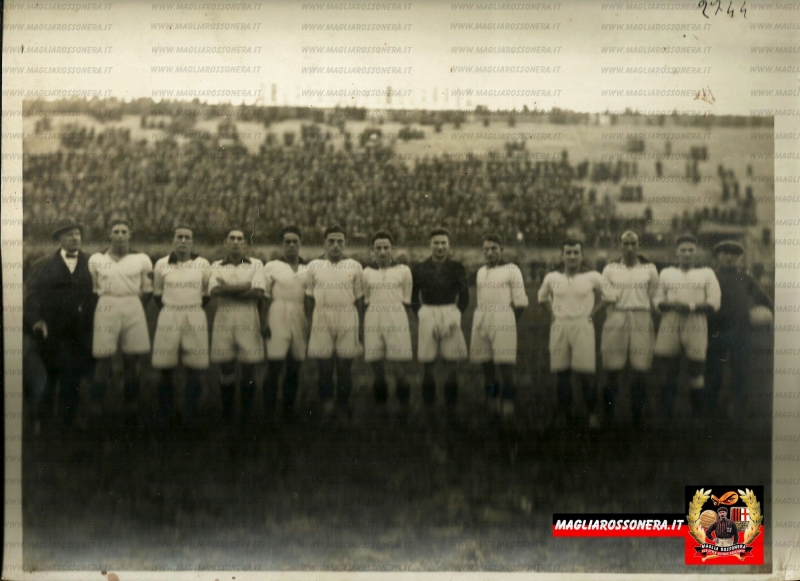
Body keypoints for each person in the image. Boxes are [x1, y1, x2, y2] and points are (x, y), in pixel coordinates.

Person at [25, 219, 96, 430]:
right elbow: (31, 298)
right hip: (51, 330)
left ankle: (68, 421)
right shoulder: (44, 265)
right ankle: (43, 420)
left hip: (79, 330)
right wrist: (37, 321)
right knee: (50, 374)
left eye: (77, 234)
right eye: (69, 235)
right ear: (59, 239)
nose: (74, 238)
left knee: (73, 375)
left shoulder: (92, 263)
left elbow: (98, 296)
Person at [537, 239, 609, 429]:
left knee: (586, 374)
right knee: (562, 373)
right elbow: (542, 298)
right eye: (568, 252)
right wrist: (552, 314)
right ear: (562, 256)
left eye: (576, 252)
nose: (572, 256)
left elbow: (610, 296)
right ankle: (566, 415)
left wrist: (593, 313)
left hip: (582, 325)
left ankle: (592, 415)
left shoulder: (592, 277)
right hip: (560, 326)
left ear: (582, 256)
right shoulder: (552, 277)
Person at [88, 219, 153, 426]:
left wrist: (134, 306)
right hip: (106, 305)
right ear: (109, 234)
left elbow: (148, 289)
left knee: (131, 360)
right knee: (103, 358)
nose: (120, 235)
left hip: (132, 305)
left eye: (124, 231)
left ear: (130, 234)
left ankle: (131, 407)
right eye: (116, 231)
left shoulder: (141, 259)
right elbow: (93, 288)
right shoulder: (96, 259)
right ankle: (96, 407)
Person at [653, 234, 721, 422]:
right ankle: (666, 415)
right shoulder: (666, 273)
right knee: (668, 369)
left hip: (696, 322)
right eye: (683, 250)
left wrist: (690, 307)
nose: (687, 253)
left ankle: (697, 416)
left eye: (691, 250)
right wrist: (670, 304)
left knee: (696, 369)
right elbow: (657, 299)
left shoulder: (707, 273)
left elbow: (714, 303)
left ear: (696, 252)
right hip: (670, 321)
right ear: (676, 253)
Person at [151, 225, 211, 427]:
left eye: (187, 237)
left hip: (194, 314)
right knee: (165, 367)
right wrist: (173, 308)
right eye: (179, 237)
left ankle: (189, 413)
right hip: (169, 315)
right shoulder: (161, 264)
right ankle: (166, 413)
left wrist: (190, 308)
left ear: (192, 242)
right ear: (173, 240)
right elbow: (157, 294)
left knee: (194, 367)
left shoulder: (203, 264)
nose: (183, 241)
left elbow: (206, 294)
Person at [706, 240, 772, 420]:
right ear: (718, 256)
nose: (729, 257)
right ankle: (710, 414)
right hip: (716, 331)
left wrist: (772, 313)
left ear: (738, 257)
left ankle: (739, 412)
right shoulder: (711, 276)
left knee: (741, 372)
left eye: (733, 254)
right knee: (713, 372)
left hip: (740, 331)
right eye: (725, 253)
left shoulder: (746, 277)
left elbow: (763, 299)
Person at [305, 226, 364, 421]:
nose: (335, 245)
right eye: (331, 241)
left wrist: (360, 327)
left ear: (345, 244)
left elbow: (359, 299)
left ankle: (343, 405)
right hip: (322, 316)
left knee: (345, 367)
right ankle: (327, 405)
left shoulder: (355, 266)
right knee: (325, 367)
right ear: (325, 243)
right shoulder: (314, 266)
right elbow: (308, 298)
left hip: (347, 315)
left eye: (340, 242)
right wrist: (310, 323)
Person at [600, 231, 659, 427]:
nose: (630, 248)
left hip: (641, 317)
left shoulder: (650, 269)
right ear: (620, 246)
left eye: (634, 243)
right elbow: (608, 296)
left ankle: (637, 417)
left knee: (640, 370)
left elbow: (654, 296)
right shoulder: (610, 269)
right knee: (612, 369)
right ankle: (608, 416)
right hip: (617, 316)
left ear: (639, 245)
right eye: (626, 244)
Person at [209, 228, 266, 426]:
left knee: (249, 367)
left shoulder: (256, 264)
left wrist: (227, 288)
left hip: (248, 316)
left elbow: (258, 292)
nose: (235, 242)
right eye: (231, 238)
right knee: (226, 366)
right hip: (224, 317)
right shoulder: (216, 265)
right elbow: (214, 291)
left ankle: (246, 415)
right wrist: (244, 286)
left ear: (245, 244)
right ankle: (228, 414)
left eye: (239, 239)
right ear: (226, 243)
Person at [411, 228, 469, 417]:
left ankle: (451, 406)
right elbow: (413, 298)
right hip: (428, 312)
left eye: (443, 243)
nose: (440, 247)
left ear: (449, 245)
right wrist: (422, 315)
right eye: (436, 243)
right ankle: (429, 406)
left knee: (452, 361)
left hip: (450, 312)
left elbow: (465, 297)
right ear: (430, 245)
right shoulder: (420, 268)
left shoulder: (457, 268)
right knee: (428, 361)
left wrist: (455, 318)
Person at [470, 233, 528, 420]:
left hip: (503, 317)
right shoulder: (480, 271)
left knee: (505, 364)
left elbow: (521, 302)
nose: (490, 252)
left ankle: (508, 404)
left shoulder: (512, 269)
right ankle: (492, 401)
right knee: (486, 365)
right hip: (482, 317)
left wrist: (509, 322)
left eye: (494, 248)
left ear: (501, 249)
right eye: (486, 249)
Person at [362, 231, 414, 418]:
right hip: (373, 316)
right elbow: (366, 299)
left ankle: (403, 409)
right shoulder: (366, 272)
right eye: (378, 248)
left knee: (398, 366)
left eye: (386, 247)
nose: (382, 251)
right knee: (376, 365)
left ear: (392, 249)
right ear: (373, 250)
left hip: (396, 315)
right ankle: (381, 409)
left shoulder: (403, 270)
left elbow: (407, 299)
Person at [261, 226, 308, 423]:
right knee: (275, 364)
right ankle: (269, 412)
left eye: (294, 242)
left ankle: (289, 410)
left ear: (300, 244)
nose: (291, 245)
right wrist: (263, 321)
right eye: (287, 242)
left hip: (299, 314)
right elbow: (264, 296)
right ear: (282, 245)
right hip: (278, 313)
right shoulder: (272, 266)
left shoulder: (308, 268)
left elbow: (311, 298)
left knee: (295, 365)